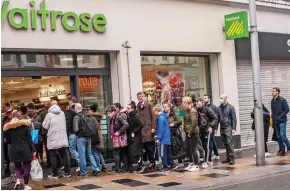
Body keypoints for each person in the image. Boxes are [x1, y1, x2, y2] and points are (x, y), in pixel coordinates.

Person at [3, 111, 36, 190]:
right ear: (20, 117)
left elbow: (8, 141)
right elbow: (29, 140)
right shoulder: (25, 127)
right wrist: (34, 150)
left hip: (14, 149)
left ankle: (18, 180)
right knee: (26, 167)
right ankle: (26, 185)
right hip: (25, 149)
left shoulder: (9, 129)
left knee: (17, 166)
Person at [43, 100, 71, 178]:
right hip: (62, 137)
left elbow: (45, 126)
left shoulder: (49, 115)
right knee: (65, 156)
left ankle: (55, 174)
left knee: (53, 156)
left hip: (53, 138)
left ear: (50, 106)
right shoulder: (62, 113)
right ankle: (67, 173)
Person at [73, 103, 100, 176]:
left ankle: (84, 173)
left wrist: (77, 134)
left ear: (76, 108)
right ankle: (96, 168)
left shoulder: (76, 117)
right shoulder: (87, 115)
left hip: (81, 137)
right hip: (89, 137)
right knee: (89, 153)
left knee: (82, 155)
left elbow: (76, 129)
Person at [136, 92, 157, 172]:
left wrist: (153, 128)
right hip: (141, 131)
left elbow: (153, 117)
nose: (140, 98)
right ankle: (149, 162)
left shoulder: (149, 105)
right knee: (145, 148)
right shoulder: (138, 106)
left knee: (149, 147)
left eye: (141, 96)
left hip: (148, 129)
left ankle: (153, 163)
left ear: (144, 97)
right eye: (139, 97)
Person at [105, 105, 129, 173]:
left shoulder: (118, 117)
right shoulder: (113, 118)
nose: (108, 115)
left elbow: (126, 125)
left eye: (109, 113)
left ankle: (117, 168)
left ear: (113, 112)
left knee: (116, 152)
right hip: (118, 137)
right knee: (120, 152)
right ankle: (123, 167)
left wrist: (119, 132)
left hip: (120, 136)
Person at [196, 98, 218, 168]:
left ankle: (207, 161)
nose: (198, 104)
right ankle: (207, 159)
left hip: (207, 130)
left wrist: (211, 126)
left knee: (207, 146)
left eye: (199, 103)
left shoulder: (207, 109)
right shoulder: (196, 110)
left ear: (202, 103)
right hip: (201, 130)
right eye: (197, 103)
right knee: (203, 145)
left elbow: (215, 117)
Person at [154, 104, 174, 173]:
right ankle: (170, 164)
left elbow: (161, 129)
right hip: (166, 137)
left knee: (163, 153)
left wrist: (158, 138)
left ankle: (165, 167)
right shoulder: (164, 116)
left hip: (163, 138)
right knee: (166, 152)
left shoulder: (160, 118)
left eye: (155, 112)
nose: (154, 113)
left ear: (157, 111)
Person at [163, 102, 183, 168]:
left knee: (177, 146)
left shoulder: (176, 111)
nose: (164, 108)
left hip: (175, 132)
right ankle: (171, 162)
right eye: (164, 107)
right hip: (167, 133)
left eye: (165, 106)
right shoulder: (163, 114)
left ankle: (180, 160)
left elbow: (180, 120)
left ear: (169, 107)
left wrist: (173, 123)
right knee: (170, 147)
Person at [218, 94, 237, 165]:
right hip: (222, 127)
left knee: (229, 143)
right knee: (225, 143)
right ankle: (228, 158)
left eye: (222, 98)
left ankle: (232, 158)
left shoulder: (231, 107)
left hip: (228, 127)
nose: (220, 100)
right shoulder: (219, 108)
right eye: (220, 98)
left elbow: (234, 118)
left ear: (225, 99)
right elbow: (217, 118)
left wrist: (233, 128)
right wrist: (216, 128)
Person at [182, 96, 200, 172]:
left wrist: (189, 133)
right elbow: (179, 116)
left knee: (193, 149)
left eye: (183, 102)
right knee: (186, 148)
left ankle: (196, 166)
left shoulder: (193, 111)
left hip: (193, 132)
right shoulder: (185, 110)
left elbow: (194, 123)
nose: (182, 104)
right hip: (187, 132)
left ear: (187, 103)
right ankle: (191, 163)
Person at [271, 87, 290, 156]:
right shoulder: (272, 101)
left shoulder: (282, 100)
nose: (272, 92)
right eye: (272, 91)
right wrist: (273, 120)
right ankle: (282, 150)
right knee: (278, 137)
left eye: (273, 91)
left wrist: (280, 116)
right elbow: (273, 111)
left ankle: (289, 147)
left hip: (282, 121)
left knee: (283, 136)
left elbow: (287, 109)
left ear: (277, 92)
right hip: (276, 122)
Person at [88, 103, 107, 172]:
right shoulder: (98, 117)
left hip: (95, 136)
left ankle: (98, 167)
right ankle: (104, 165)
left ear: (91, 111)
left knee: (95, 152)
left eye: (89, 110)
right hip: (99, 135)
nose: (88, 111)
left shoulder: (92, 118)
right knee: (98, 152)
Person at [126, 101, 144, 173]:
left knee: (135, 152)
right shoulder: (129, 116)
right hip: (131, 137)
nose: (127, 109)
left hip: (136, 137)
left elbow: (141, 124)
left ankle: (139, 166)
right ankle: (138, 166)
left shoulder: (135, 116)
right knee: (133, 152)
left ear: (132, 109)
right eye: (127, 108)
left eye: (128, 108)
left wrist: (134, 132)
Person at [65, 96, 79, 172]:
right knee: (75, 149)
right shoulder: (78, 110)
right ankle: (79, 165)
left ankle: (80, 163)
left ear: (70, 102)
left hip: (72, 133)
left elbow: (68, 124)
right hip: (78, 134)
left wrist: (68, 133)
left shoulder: (70, 112)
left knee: (72, 149)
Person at [189, 92, 205, 163]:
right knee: (195, 144)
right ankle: (198, 157)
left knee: (198, 143)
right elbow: (181, 114)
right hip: (192, 127)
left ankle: (202, 157)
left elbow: (195, 119)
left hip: (195, 128)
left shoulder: (195, 107)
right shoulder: (191, 106)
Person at [204, 94, 220, 160]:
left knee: (211, 141)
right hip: (206, 127)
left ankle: (211, 156)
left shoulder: (214, 107)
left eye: (205, 98)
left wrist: (216, 128)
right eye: (204, 98)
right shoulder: (204, 107)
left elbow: (216, 118)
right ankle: (216, 153)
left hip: (212, 126)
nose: (204, 99)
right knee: (211, 140)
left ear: (209, 99)